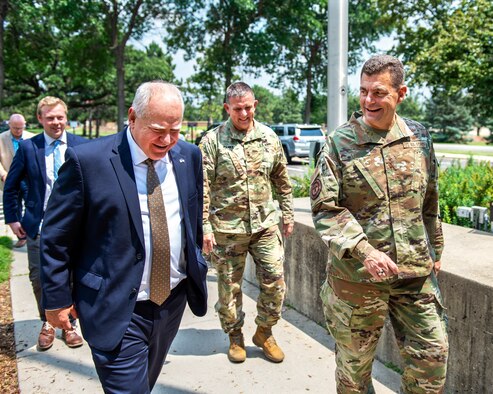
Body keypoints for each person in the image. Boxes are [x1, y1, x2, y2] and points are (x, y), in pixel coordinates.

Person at [40, 81, 208, 393]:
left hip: (171, 302)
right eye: (158, 129)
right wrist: (56, 299)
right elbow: (56, 236)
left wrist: (196, 257)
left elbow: (191, 216)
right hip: (115, 306)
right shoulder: (87, 161)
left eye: (176, 129)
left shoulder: (189, 156)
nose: (168, 139)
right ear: (132, 117)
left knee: (145, 382)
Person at [310, 54, 448, 393]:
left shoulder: (419, 137)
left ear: (401, 93)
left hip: (414, 276)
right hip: (357, 280)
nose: (369, 100)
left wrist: (437, 247)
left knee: (433, 359)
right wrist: (366, 251)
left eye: (379, 92)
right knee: (354, 377)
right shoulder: (340, 142)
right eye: (363, 91)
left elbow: (430, 199)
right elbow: (326, 209)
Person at [200, 82, 294, 363]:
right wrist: (204, 227)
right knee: (229, 288)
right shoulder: (212, 141)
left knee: (276, 282)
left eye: (248, 107)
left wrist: (287, 214)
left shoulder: (268, 137)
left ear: (256, 105)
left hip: (265, 226)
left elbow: (281, 179)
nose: (244, 113)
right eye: (237, 108)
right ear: (227, 108)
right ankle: (235, 335)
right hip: (228, 230)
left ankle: (264, 332)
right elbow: (202, 187)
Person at [3, 97, 87, 351]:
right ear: (40, 119)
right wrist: (13, 218)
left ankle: (69, 323)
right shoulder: (29, 148)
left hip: (75, 227)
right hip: (38, 226)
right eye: (50, 117)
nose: (56, 122)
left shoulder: (82, 146)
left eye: (60, 117)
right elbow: (11, 187)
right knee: (40, 277)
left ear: (66, 117)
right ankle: (48, 322)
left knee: (72, 277)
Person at [0, 113, 34, 247]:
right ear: (9, 125)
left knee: (31, 205)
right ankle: (21, 235)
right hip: (9, 179)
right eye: (15, 128)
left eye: (20, 128)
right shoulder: (1, 139)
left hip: (28, 179)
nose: (18, 131)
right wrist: (3, 174)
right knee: (15, 207)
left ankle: (32, 232)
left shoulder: (32, 137)